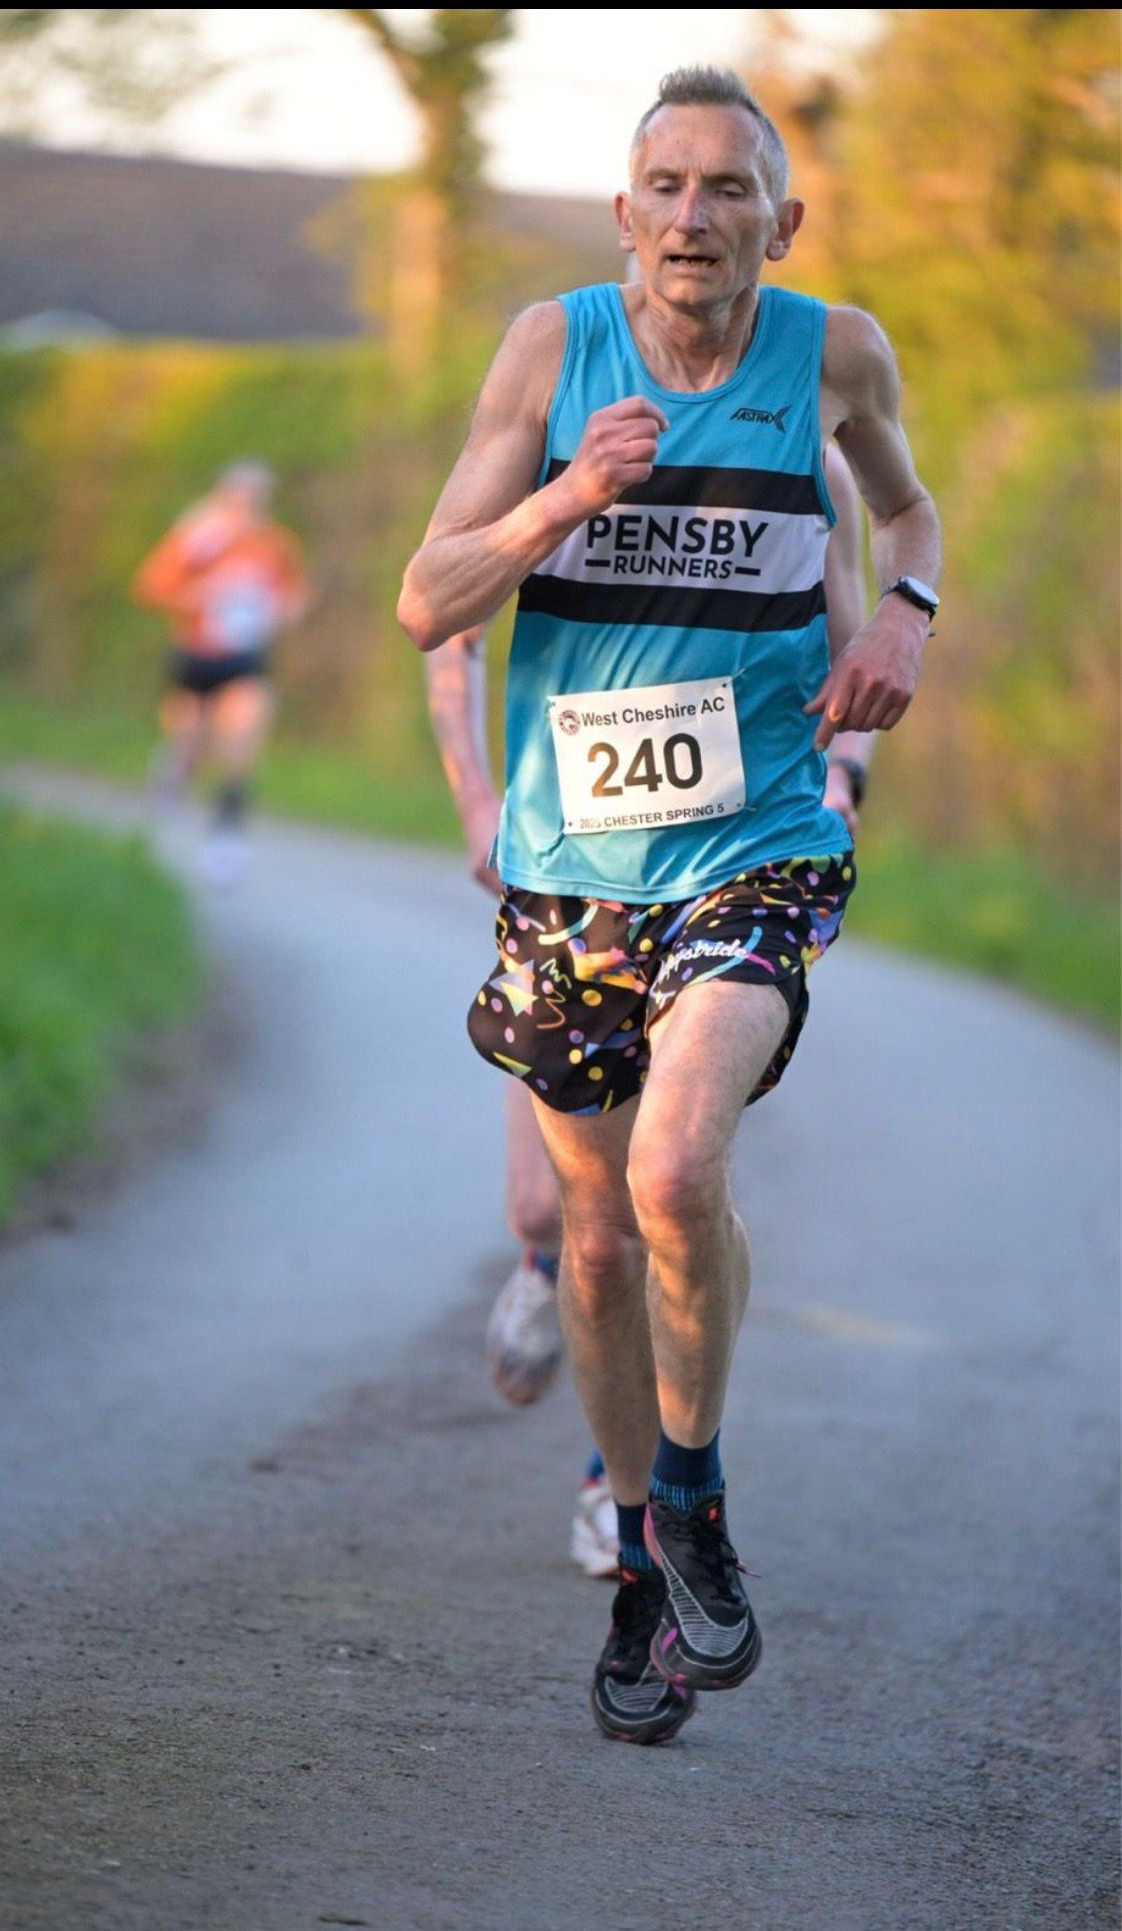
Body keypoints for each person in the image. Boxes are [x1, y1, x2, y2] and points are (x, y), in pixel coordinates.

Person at [399, 66, 940, 1746]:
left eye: (728, 190)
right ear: (620, 214)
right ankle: (639, 1552)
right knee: (584, 1247)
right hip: (571, 869)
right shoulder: (550, 353)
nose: (695, 217)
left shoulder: (831, 352)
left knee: (671, 1166)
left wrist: (901, 615)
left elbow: (905, 505)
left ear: (782, 222)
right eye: (666, 187)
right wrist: (564, 498)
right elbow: (426, 598)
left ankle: (688, 1498)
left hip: (754, 840)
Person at [424, 443, 876, 1585]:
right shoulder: (566, 426)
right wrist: (476, 795)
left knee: (668, 1175)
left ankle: (617, 1485)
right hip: (572, 863)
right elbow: (449, 629)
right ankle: (544, 1268)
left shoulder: (797, 444)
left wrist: (847, 775)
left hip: (730, 861)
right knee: (556, 1206)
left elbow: (855, 624)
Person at [132, 462, 311, 886]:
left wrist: (284, 610)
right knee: (190, 746)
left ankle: (224, 844)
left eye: (257, 498)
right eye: (240, 496)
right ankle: (167, 794)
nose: (247, 506)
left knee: (239, 750)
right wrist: (195, 596)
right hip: (195, 656)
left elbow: (296, 594)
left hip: (245, 661)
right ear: (223, 496)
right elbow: (151, 586)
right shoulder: (198, 538)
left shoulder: (275, 545)